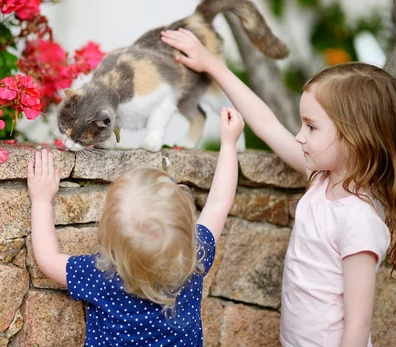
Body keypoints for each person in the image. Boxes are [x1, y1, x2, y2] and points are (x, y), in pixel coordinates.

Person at [161, 28, 396, 347]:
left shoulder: (358, 220)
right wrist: (213, 65)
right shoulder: (322, 177)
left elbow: (359, 323)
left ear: (356, 138)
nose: (300, 136)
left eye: (311, 126)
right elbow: (266, 123)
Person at [27, 106, 244, 346]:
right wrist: (229, 144)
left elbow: (47, 258)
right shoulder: (195, 257)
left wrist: (41, 199)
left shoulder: (101, 275)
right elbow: (218, 203)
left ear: (109, 234)